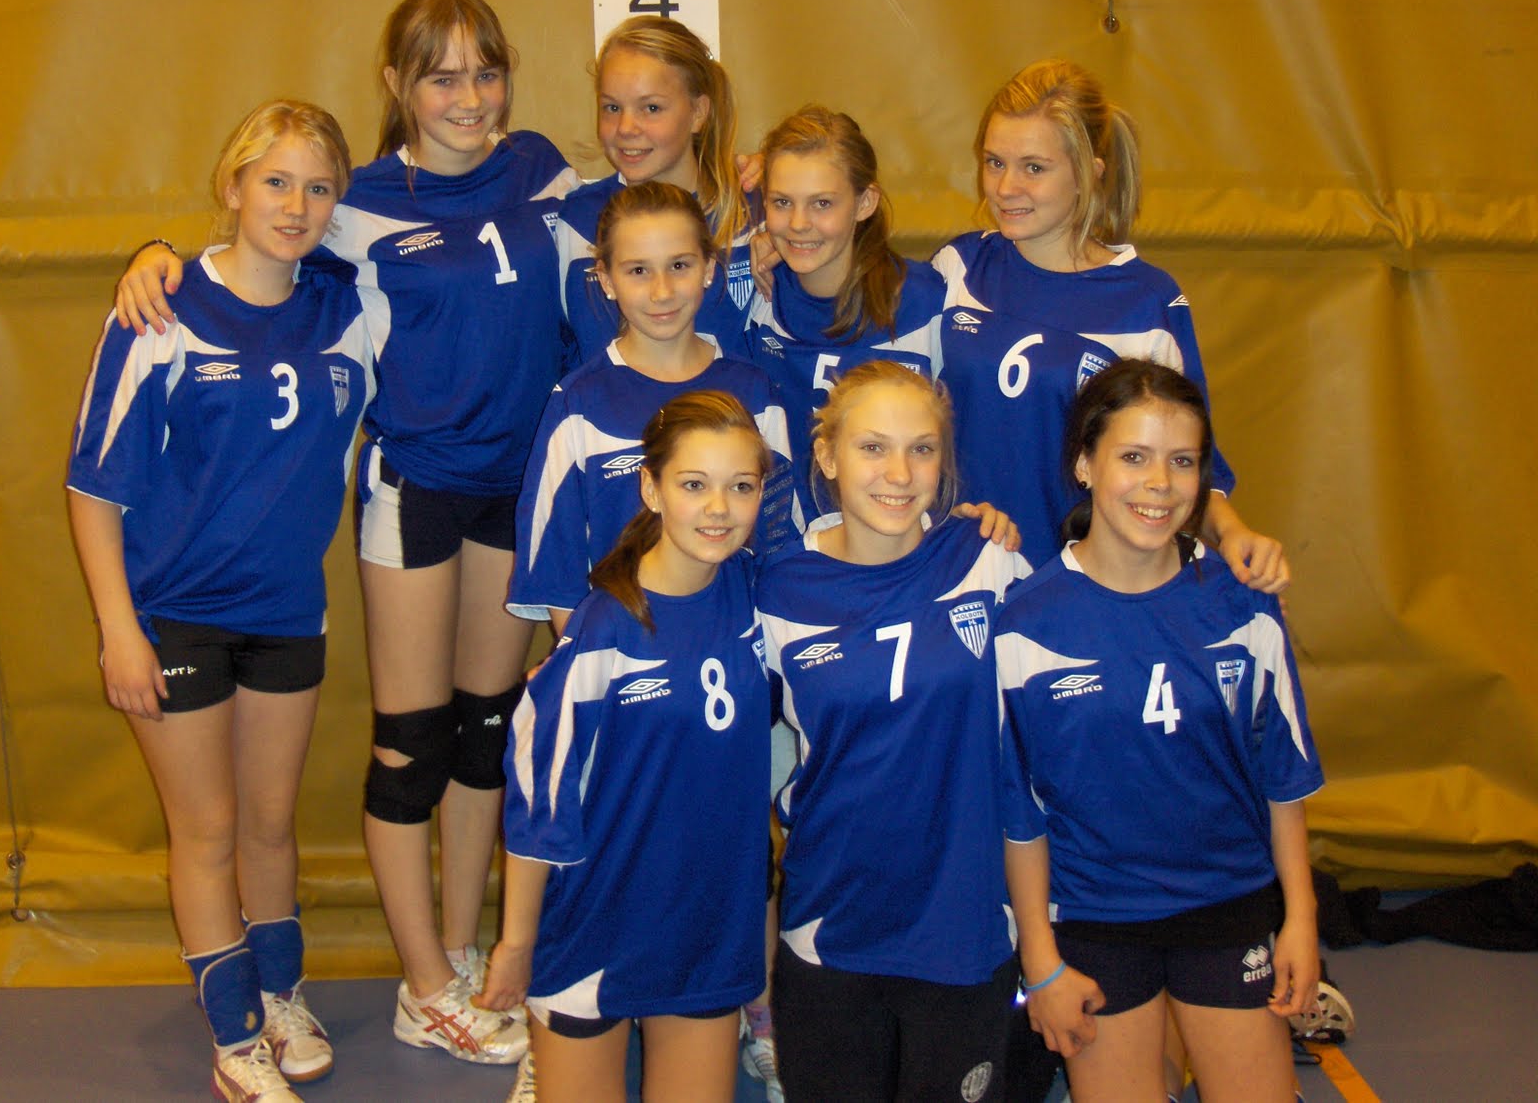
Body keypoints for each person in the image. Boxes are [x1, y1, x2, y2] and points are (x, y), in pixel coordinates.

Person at [111, 0, 579, 1064]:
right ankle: (423, 982)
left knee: (487, 735)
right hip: (415, 490)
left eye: (486, 72)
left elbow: (646, 217)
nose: (469, 97)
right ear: (397, 85)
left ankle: (457, 958)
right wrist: (154, 254)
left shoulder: (542, 171)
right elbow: (249, 259)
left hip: (516, 491)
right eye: (442, 76)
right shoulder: (354, 203)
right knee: (412, 745)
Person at [67, 99, 374, 1101]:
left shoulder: (349, 307)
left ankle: (280, 994)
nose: (295, 205)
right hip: (176, 612)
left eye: (318, 187)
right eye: (275, 181)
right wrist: (119, 630)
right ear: (233, 185)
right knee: (204, 828)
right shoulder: (161, 310)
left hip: (287, 612)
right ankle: (235, 1037)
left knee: (271, 824)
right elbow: (93, 486)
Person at [999, 359, 1323, 1103]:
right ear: (1084, 464)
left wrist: (1301, 920)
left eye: (1181, 461)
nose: (1159, 484)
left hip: (1227, 903)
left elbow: (1283, 780)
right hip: (1096, 918)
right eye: (1134, 457)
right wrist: (1040, 960)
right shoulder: (1026, 624)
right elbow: (1021, 815)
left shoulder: (1243, 606)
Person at [478, 390, 773, 1103]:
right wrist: (516, 943)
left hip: (706, 927)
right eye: (694, 484)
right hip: (595, 925)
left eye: (741, 487)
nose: (719, 508)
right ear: (651, 488)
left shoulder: (764, 598)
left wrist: (965, 524)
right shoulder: (599, 633)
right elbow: (539, 808)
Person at [756, 360, 1033, 1101]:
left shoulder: (987, 559)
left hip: (963, 927)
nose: (900, 474)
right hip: (830, 924)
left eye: (922, 449)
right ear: (827, 457)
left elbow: (1089, 631)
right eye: (873, 447)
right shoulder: (777, 590)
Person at [933, 58, 1288, 588]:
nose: (1005, 187)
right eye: (994, 162)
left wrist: (1233, 534)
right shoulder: (958, 269)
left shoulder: (1145, 304)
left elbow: (1183, 459)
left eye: (1034, 168)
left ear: (1089, 172)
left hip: (1076, 590)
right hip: (957, 580)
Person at [509, 181, 797, 636]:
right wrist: (596, 661)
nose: (662, 291)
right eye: (638, 270)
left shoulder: (755, 395)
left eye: (679, 265)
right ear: (606, 280)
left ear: (709, 269)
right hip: (622, 657)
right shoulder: (578, 405)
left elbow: (779, 547)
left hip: (735, 647)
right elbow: (558, 578)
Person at [746, 105, 948, 523]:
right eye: (782, 202)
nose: (798, 223)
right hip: (789, 547)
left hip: (902, 540)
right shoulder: (754, 293)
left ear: (865, 202)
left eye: (822, 203)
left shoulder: (929, 302)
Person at [556, 15, 760, 363]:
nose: (626, 127)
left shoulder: (755, 212)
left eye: (651, 108)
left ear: (698, 113)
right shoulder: (575, 219)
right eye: (612, 107)